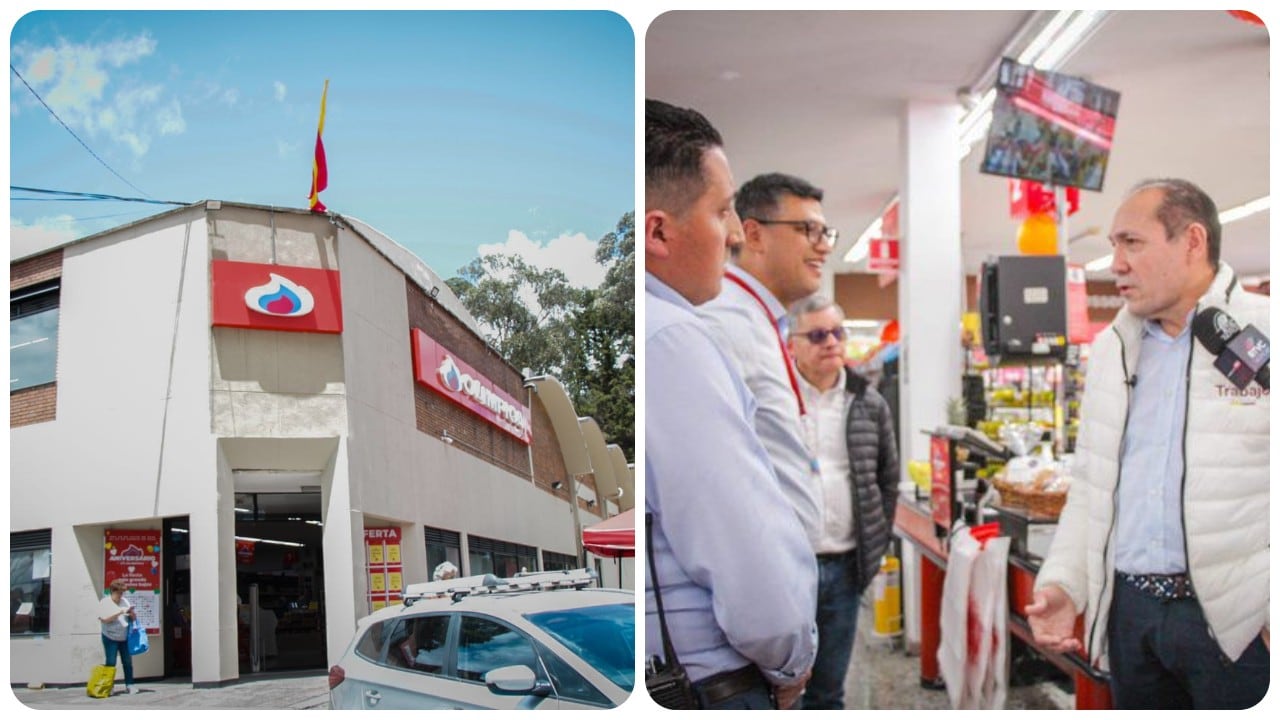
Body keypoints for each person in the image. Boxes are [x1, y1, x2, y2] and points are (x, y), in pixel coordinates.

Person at [1027, 178, 1269, 709]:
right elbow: (1093, 487)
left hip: (1238, 626)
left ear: (1192, 242)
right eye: (1113, 245)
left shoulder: (1264, 332)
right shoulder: (1115, 350)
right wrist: (1066, 583)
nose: (1115, 262)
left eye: (1131, 242)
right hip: (1132, 617)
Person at [645, 98, 817, 710]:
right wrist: (791, 657)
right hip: (716, 680)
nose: (732, 233)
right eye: (722, 211)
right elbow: (740, 542)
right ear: (659, 231)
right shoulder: (672, 339)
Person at [696, 172, 837, 548]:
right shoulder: (721, 322)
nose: (823, 247)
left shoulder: (761, 319)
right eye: (808, 230)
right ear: (754, 234)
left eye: (826, 233)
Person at [786, 294, 900, 710]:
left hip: (845, 567)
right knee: (785, 690)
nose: (830, 342)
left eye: (837, 332)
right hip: (787, 567)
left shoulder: (868, 403)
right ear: (791, 344)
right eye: (817, 335)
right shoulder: (776, 403)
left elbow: (889, 479)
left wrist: (876, 540)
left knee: (830, 690)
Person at [97, 579, 138, 695]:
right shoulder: (105, 602)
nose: (121, 596)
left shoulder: (125, 601)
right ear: (112, 591)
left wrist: (131, 614)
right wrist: (118, 613)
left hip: (124, 637)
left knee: (127, 662)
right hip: (109, 636)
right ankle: (109, 686)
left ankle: (130, 685)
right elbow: (104, 619)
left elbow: (132, 618)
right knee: (111, 662)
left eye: (122, 593)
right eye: (119, 593)